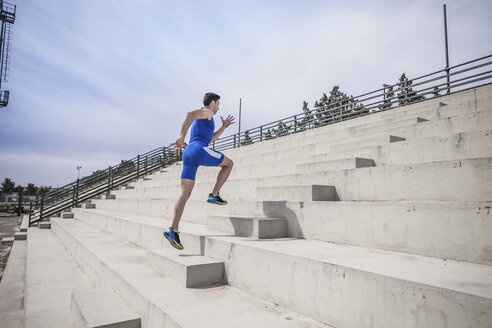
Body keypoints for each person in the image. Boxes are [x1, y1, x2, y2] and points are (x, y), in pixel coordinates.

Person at [163, 92, 235, 250]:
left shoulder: (207, 120)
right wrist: (181, 137)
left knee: (185, 194)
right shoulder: (207, 112)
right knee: (229, 164)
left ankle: (173, 230)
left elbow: (209, 139)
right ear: (213, 103)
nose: (218, 107)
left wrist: (223, 127)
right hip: (197, 150)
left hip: (189, 154)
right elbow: (189, 115)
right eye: (218, 104)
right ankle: (214, 195)